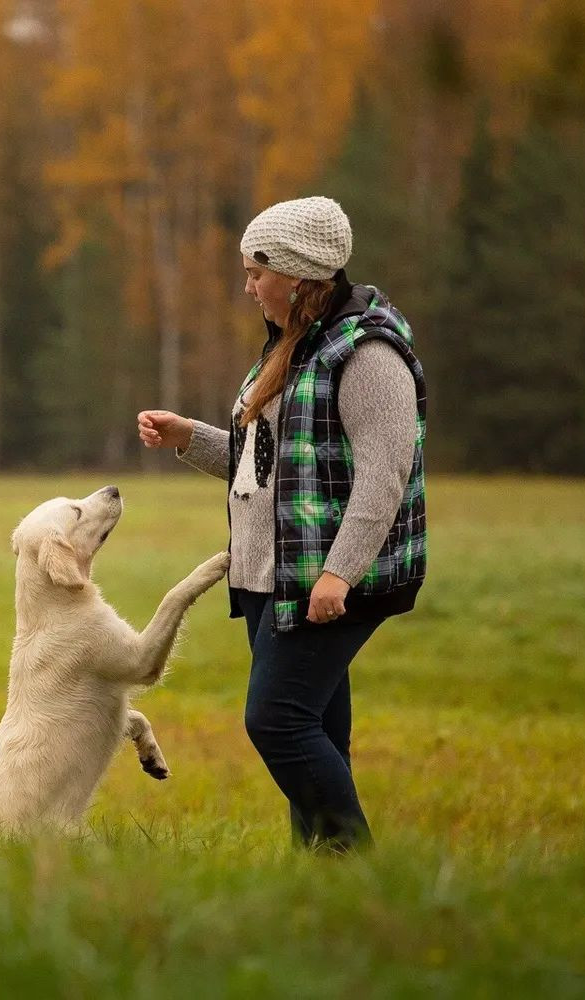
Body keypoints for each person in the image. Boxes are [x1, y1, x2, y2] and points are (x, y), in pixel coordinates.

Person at [136, 195, 428, 854]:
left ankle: (356, 864)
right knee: (316, 730)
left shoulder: (368, 354)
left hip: (326, 581)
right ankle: (325, 886)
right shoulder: (296, 344)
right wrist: (189, 438)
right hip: (278, 574)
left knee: (277, 720)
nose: (248, 288)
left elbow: (386, 478)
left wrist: (338, 574)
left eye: (256, 274)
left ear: (297, 276)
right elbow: (267, 470)